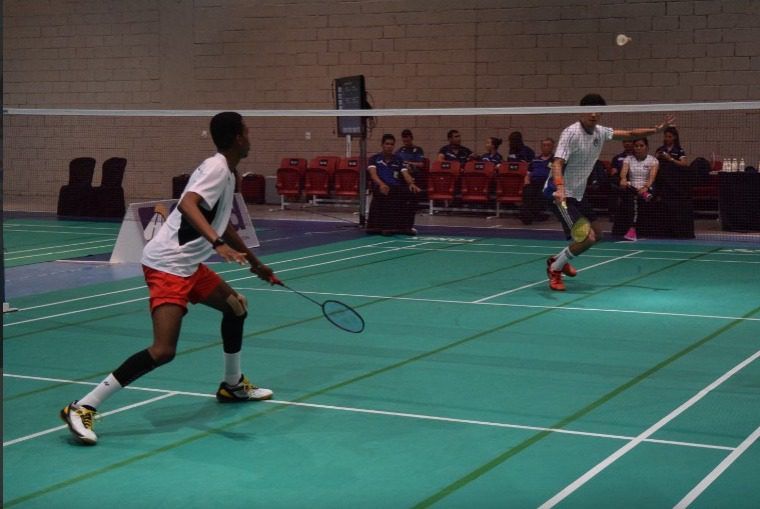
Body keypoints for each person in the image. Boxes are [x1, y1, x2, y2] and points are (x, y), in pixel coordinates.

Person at [60, 112, 278, 445]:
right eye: (247, 132)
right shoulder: (217, 168)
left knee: (236, 306)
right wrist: (217, 244)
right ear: (237, 138)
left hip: (188, 264)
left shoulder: (227, 171)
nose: (251, 138)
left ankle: (232, 385)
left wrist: (255, 263)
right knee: (163, 350)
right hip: (168, 265)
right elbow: (188, 204)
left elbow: (223, 223)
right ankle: (82, 406)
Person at [545, 93, 674, 291]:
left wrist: (657, 129)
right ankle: (555, 270)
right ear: (581, 112)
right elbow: (557, 163)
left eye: (598, 111)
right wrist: (560, 188)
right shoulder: (571, 133)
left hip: (577, 193)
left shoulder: (600, 132)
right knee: (586, 238)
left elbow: (630, 134)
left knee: (597, 234)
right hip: (559, 194)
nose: (594, 114)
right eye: (590, 110)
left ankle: (557, 260)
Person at [367, 133, 421, 235]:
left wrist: (411, 184)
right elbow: (373, 175)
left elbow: (405, 173)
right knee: (387, 192)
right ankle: (387, 227)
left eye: (392, 144)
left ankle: (407, 227)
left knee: (414, 193)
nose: (389, 146)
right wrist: (381, 184)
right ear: (382, 145)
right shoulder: (374, 159)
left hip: (396, 187)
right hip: (380, 186)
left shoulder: (398, 159)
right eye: (387, 144)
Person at [618, 137, 659, 241]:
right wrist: (623, 179)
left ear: (647, 147)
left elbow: (652, 177)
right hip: (632, 187)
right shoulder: (628, 159)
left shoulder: (653, 160)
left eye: (641, 146)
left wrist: (645, 187)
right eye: (636, 146)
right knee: (630, 194)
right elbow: (623, 172)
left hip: (646, 187)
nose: (639, 148)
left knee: (641, 197)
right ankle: (631, 229)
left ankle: (634, 230)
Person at [519, 137, 554, 224]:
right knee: (527, 191)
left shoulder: (555, 160)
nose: (546, 147)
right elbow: (528, 173)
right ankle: (527, 217)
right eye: (544, 145)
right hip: (534, 183)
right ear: (541, 147)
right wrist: (527, 181)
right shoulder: (535, 160)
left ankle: (533, 215)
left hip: (547, 184)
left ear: (552, 147)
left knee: (539, 194)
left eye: (548, 145)